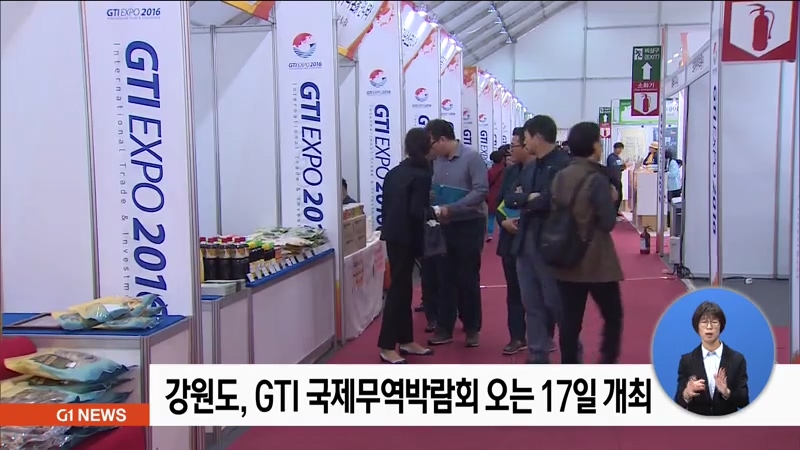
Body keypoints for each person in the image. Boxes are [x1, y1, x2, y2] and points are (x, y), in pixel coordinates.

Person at [549, 122, 624, 364]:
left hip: (565, 254)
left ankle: (570, 365)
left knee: (570, 322)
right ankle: (607, 361)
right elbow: (607, 222)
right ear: (594, 145)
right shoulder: (597, 178)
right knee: (613, 315)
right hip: (596, 260)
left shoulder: (561, 175)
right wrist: (613, 199)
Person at [505, 115, 570, 363]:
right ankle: (537, 355)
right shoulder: (530, 167)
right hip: (526, 243)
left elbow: (552, 200)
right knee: (531, 304)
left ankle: (572, 356)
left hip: (553, 245)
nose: (524, 143)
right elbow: (511, 198)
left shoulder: (564, 166)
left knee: (558, 305)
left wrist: (531, 199)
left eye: (526, 138)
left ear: (537, 137)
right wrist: (530, 198)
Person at [425, 119, 489, 348]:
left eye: (432, 143)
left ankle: (472, 328)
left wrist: (453, 208)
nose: (431, 149)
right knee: (445, 278)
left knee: (468, 277)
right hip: (444, 225)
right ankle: (444, 327)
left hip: (469, 224)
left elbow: (481, 191)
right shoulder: (436, 162)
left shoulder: (472, 158)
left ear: (442, 139)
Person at [377, 128, 435, 364]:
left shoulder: (394, 172)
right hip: (408, 236)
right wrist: (432, 211)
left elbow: (387, 206)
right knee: (398, 290)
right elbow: (415, 212)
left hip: (393, 235)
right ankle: (386, 345)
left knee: (403, 288)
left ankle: (406, 339)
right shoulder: (422, 175)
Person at [675, 301, 750, 415]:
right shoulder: (687, 361)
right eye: (704, 322)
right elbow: (678, 401)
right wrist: (687, 393)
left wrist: (726, 392)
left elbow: (744, 401)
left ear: (721, 326)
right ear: (697, 326)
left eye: (714, 322)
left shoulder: (737, 359)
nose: (709, 327)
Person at [496, 128, 528, 355]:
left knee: (540, 292)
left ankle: (543, 335)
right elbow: (499, 202)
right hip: (510, 239)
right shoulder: (510, 172)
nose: (511, 150)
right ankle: (517, 336)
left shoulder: (545, 171)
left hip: (534, 241)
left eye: (514, 145)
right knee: (514, 291)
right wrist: (503, 222)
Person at [486, 148, 507, 242]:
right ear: (503, 159)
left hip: (491, 196)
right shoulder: (506, 171)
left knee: (491, 216)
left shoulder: (490, 171)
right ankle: (501, 232)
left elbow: (487, 183)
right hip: (502, 196)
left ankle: (490, 234)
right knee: (503, 215)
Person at [606, 142, 625, 217]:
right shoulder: (611, 157)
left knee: (619, 196)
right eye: (619, 148)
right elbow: (614, 167)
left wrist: (624, 166)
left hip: (618, 179)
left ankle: (616, 212)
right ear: (615, 149)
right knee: (615, 197)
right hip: (613, 179)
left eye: (621, 149)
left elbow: (622, 167)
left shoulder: (618, 158)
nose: (620, 150)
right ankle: (613, 213)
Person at [665, 149, 682, 228]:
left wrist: (665, 173)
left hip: (674, 187)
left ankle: (672, 221)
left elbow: (674, 174)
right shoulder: (668, 162)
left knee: (672, 204)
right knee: (669, 204)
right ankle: (669, 221)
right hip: (670, 187)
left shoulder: (673, 163)